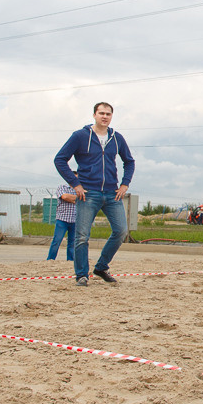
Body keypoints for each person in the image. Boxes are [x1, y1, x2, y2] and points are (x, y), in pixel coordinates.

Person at [54, 102, 135, 287]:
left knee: (121, 231)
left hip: (112, 193)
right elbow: (60, 159)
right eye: (101, 113)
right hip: (88, 193)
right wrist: (75, 184)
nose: (104, 116)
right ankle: (82, 275)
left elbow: (129, 161)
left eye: (108, 114)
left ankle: (101, 267)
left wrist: (125, 184)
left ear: (111, 116)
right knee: (82, 236)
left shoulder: (117, 138)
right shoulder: (80, 136)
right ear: (94, 115)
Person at [46, 182, 78, 261]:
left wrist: (71, 199)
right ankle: (50, 259)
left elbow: (84, 198)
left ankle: (71, 260)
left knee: (72, 243)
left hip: (75, 220)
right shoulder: (62, 187)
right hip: (62, 219)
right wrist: (76, 198)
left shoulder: (80, 189)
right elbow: (64, 197)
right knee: (57, 241)